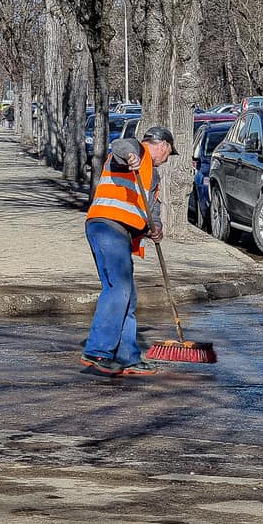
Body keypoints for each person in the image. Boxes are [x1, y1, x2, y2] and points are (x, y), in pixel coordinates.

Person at [80, 126, 177, 377]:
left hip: (118, 232)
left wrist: (156, 229)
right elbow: (120, 146)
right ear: (163, 146)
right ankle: (98, 350)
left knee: (127, 295)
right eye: (169, 153)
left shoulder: (151, 176)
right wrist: (130, 157)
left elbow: (150, 211)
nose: (167, 159)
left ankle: (128, 357)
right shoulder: (138, 150)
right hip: (107, 226)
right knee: (118, 289)